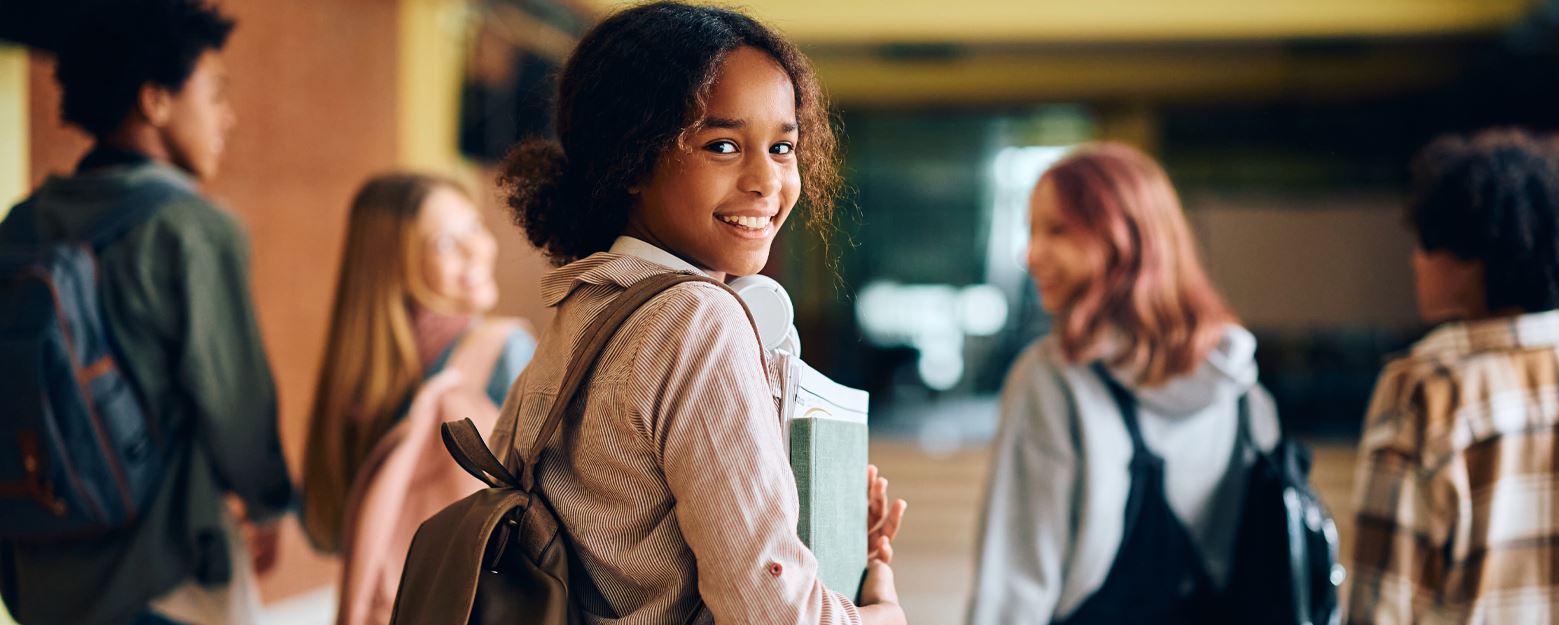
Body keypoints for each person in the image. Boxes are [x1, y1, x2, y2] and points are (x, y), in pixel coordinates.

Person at [488, 3, 907, 623]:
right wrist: (884, 611)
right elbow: (772, 614)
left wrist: (812, 528)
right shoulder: (698, 320)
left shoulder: (583, 308)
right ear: (631, 157)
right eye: (722, 145)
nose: (767, 179)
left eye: (783, 145)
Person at [0, 2, 292, 624]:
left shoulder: (21, 223)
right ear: (154, 101)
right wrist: (268, 506)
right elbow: (235, 399)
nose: (229, 118)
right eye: (215, 96)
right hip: (159, 572)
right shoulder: (194, 228)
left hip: (39, 570)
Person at [1347, 129, 1559, 624]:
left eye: (1430, 244)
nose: (1415, 261)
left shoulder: (1424, 389)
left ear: (1474, 260)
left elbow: (1381, 600)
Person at [968, 143, 1282, 624]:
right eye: (1032, 231)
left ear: (1124, 239)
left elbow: (1015, 587)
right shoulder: (1241, 389)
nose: (1031, 255)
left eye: (1058, 231)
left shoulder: (1053, 380)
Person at [298, 173, 535, 625]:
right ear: (395, 263)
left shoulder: (358, 378)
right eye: (445, 243)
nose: (476, 248)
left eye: (473, 227)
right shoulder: (502, 351)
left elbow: (322, 529)